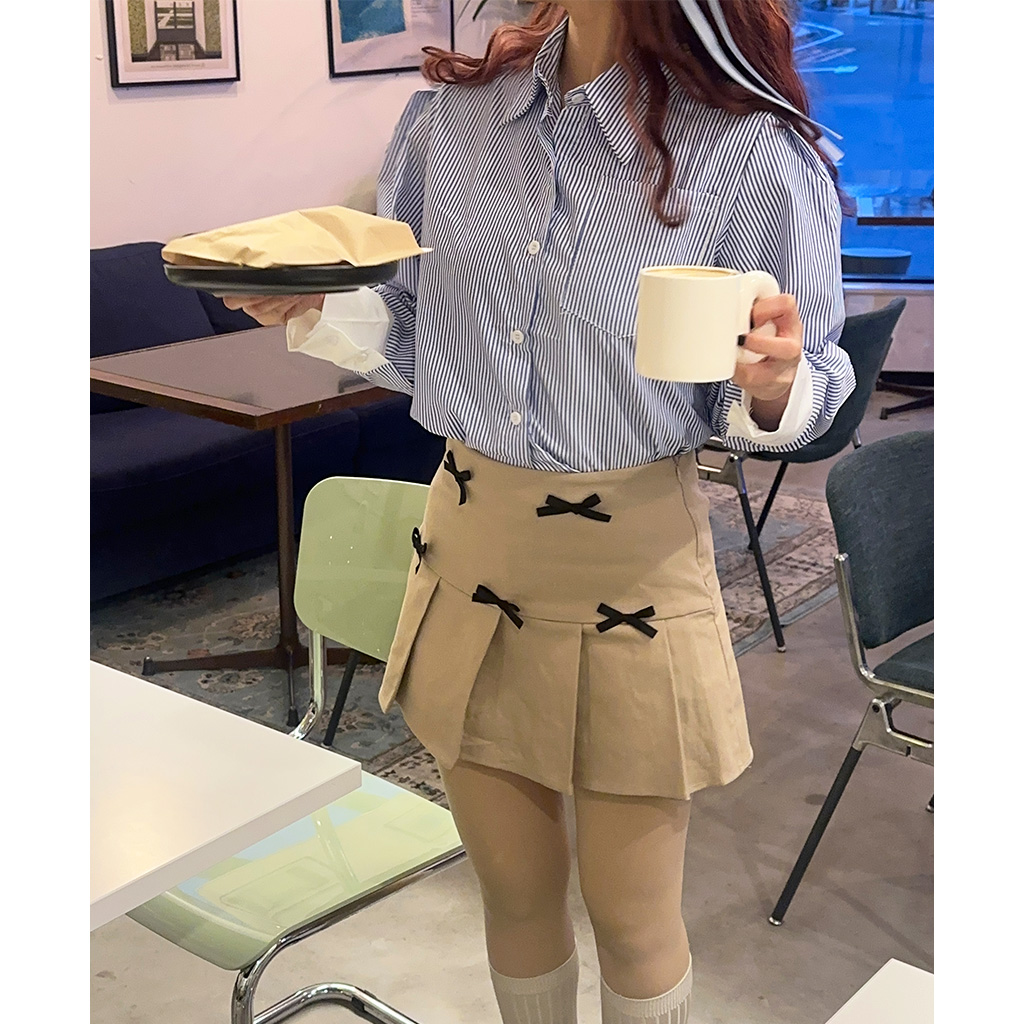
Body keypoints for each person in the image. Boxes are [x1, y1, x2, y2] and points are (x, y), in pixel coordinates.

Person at [226, 3, 855, 1022]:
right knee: (513, 895)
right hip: (471, 554)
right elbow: (418, 335)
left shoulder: (750, 152)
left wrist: (776, 386)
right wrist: (313, 305)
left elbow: (811, 374)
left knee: (632, 918)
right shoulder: (449, 124)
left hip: (632, 575)